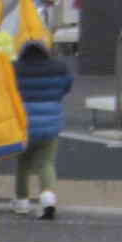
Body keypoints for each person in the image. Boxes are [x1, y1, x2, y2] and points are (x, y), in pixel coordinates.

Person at [12, 13, 75, 219]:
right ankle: (47, 197)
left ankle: (21, 201)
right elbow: (67, 86)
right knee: (45, 163)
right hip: (50, 125)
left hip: (23, 125)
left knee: (23, 163)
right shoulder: (59, 67)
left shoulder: (15, 68)